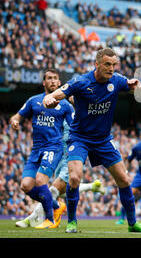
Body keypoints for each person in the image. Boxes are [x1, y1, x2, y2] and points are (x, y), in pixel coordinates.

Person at [42, 48, 141, 233]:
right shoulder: (81, 81)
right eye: (107, 64)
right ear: (97, 64)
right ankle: (72, 222)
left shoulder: (116, 80)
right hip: (79, 138)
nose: (111, 68)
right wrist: (49, 98)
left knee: (124, 180)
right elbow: (59, 93)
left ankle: (133, 224)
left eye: (114, 65)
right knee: (75, 177)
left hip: (103, 140)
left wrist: (139, 87)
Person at [10, 69, 74, 229]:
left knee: (40, 180)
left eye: (55, 79)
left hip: (54, 147)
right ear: (44, 82)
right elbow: (17, 116)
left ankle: (50, 220)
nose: (52, 81)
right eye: (49, 79)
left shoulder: (65, 105)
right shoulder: (33, 101)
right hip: (36, 149)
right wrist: (15, 121)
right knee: (25, 185)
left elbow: (74, 127)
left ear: (59, 83)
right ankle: (56, 205)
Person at [15, 119, 106, 228]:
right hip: (58, 155)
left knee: (54, 189)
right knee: (62, 190)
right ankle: (91, 186)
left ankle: (33, 218)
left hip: (71, 156)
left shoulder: (80, 113)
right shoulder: (62, 110)